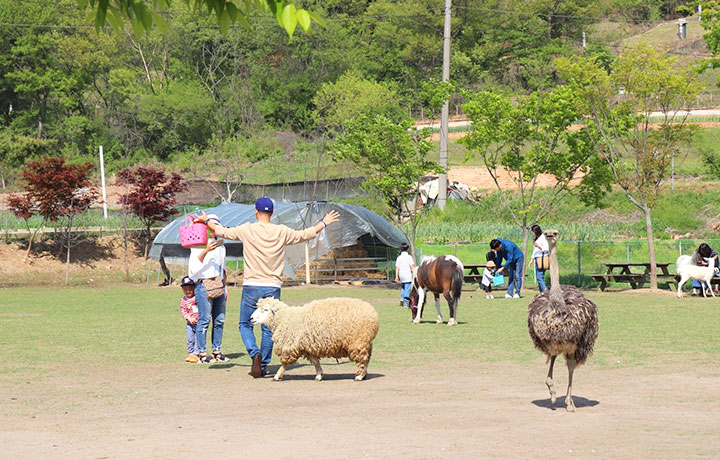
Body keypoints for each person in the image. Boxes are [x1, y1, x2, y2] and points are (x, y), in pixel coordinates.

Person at [195, 197, 340, 378]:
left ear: (256, 211)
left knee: (245, 324)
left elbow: (221, 231)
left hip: (251, 285)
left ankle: (254, 352)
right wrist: (323, 223)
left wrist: (206, 220)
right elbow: (305, 234)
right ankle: (263, 365)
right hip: (272, 286)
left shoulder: (247, 229)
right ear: (272, 213)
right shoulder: (281, 231)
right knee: (268, 328)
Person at [188, 213, 228, 364]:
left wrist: (226, 287)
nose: (213, 229)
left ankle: (217, 351)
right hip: (203, 284)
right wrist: (206, 251)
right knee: (204, 320)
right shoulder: (198, 243)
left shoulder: (221, 245)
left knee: (220, 319)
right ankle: (202, 353)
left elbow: (222, 268)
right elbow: (193, 269)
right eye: (211, 225)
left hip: (219, 284)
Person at [179, 276, 200, 363]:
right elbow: (183, 310)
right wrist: (188, 317)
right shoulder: (183, 300)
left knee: (198, 339)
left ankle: (196, 354)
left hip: (199, 323)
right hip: (190, 324)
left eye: (190, 288)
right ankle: (191, 353)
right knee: (190, 339)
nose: (188, 291)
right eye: (185, 289)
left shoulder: (198, 298)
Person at [528, 224, 549, 293]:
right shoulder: (536, 239)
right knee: (539, 277)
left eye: (533, 231)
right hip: (537, 259)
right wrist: (532, 260)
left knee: (539, 277)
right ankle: (541, 293)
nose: (532, 233)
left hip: (542, 259)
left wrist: (538, 246)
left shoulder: (543, 238)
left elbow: (546, 249)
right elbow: (535, 251)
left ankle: (545, 291)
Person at [395, 242, 416, 307]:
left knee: (403, 288)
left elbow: (397, 268)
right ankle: (406, 303)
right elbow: (412, 267)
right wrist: (415, 274)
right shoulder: (409, 257)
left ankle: (402, 300)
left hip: (401, 275)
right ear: (407, 249)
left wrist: (396, 277)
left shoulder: (399, 257)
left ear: (400, 249)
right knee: (407, 289)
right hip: (407, 275)